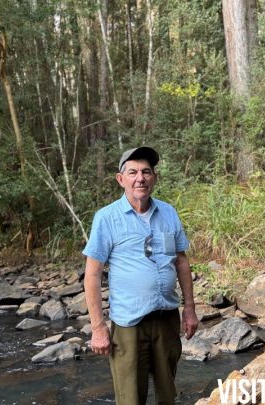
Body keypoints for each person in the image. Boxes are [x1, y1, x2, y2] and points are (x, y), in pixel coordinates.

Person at [82, 146, 199, 405]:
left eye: (146, 172)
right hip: (129, 325)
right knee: (130, 398)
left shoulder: (168, 213)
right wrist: (98, 328)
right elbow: (92, 275)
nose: (140, 178)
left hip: (166, 319)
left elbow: (181, 261)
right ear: (120, 179)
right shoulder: (106, 218)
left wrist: (189, 309)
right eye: (132, 172)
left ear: (154, 177)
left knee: (168, 395)